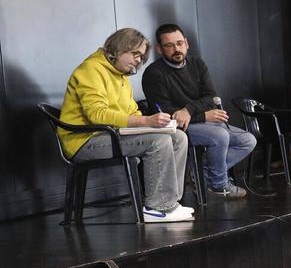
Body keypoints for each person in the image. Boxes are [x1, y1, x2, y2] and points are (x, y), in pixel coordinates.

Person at [58, 28, 192, 223]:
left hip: (110, 135)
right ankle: (157, 207)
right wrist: (146, 121)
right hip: (83, 141)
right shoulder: (91, 69)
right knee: (158, 141)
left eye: (141, 56)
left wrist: (156, 124)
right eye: (135, 54)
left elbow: (131, 112)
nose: (138, 60)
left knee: (178, 137)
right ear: (118, 49)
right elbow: (97, 115)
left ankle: (170, 203)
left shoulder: (121, 76)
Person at [142, 24, 256, 199]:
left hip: (200, 121)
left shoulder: (197, 64)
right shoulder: (154, 73)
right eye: (169, 45)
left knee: (247, 140)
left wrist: (189, 110)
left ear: (187, 43)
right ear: (159, 48)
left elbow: (210, 96)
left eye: (180, 43)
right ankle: (218, 185)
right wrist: (202, 115)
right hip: (174, 128)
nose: (176, 49)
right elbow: (164, 111)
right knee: (220, 136)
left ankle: (203, 174)